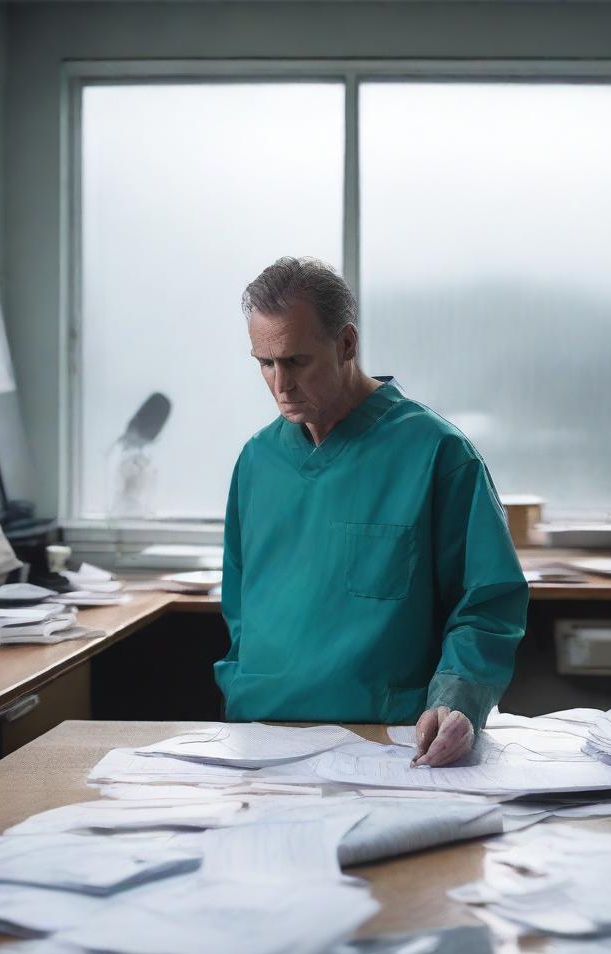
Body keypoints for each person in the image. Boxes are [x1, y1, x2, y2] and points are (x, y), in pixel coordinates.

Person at [214, 257, 528, 767]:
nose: (280, 385)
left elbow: (486, 604)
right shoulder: (257, 461)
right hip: (259, 736)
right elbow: (241, 609)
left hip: (388, 740)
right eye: (264, 364)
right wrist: (239, 689)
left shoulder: (437, 454)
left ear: (345, 345)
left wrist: (456, 699)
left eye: (295, 361)